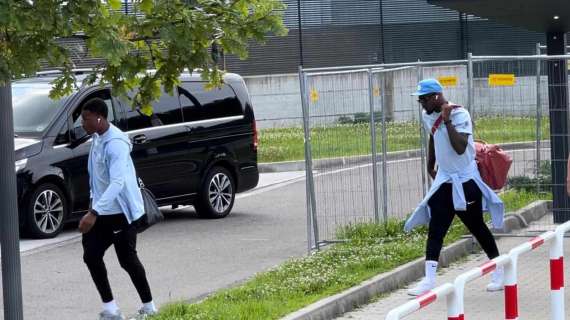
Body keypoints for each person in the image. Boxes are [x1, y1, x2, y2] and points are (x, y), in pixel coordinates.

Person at [404, 79, 505, 296]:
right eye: (420, 100)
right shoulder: (427, 115)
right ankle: (429, 279)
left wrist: (447, 120)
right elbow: (433, 135)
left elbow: (460, 148)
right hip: (444, 180)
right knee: (436, 231)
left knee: (477, 227)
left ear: (435, 97)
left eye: (423, 99)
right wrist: (430, 164)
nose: (421, 104)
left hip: (466, 181)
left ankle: (498, 269)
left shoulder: (461, 115)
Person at [78, 98, 157, 319]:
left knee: (127, 260)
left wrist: (93, 213)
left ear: (99, 117)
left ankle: (149, 307)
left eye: (86, 118)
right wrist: (93, 207)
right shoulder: (96, 138)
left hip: (120, 214)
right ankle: (111, 310)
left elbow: (117, 183)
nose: (82, 123)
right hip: (101, 211)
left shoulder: (116, 143)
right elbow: (97, 180)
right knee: (91, 256)